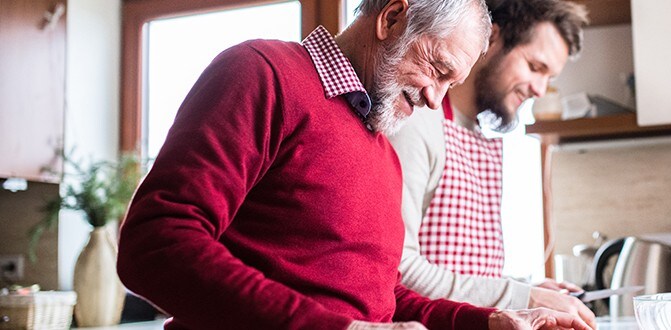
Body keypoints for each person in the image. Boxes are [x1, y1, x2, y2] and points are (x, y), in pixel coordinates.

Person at [115, 0, 592, 329]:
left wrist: (485, 321)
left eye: (452, 83)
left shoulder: (383, 146)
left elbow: (382, 299)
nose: (434, 99)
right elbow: (155, 245)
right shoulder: (262, 72)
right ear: (391, 16)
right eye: (436, 69)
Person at [388, 0, 594, 326]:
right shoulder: (418, 123)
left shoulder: (474, 133)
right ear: (492, 39)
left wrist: (527, 287)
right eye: (534, 67)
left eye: (549, 77)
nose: (540, 90)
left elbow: (463, 270)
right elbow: (399, 270)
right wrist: (523, 296)